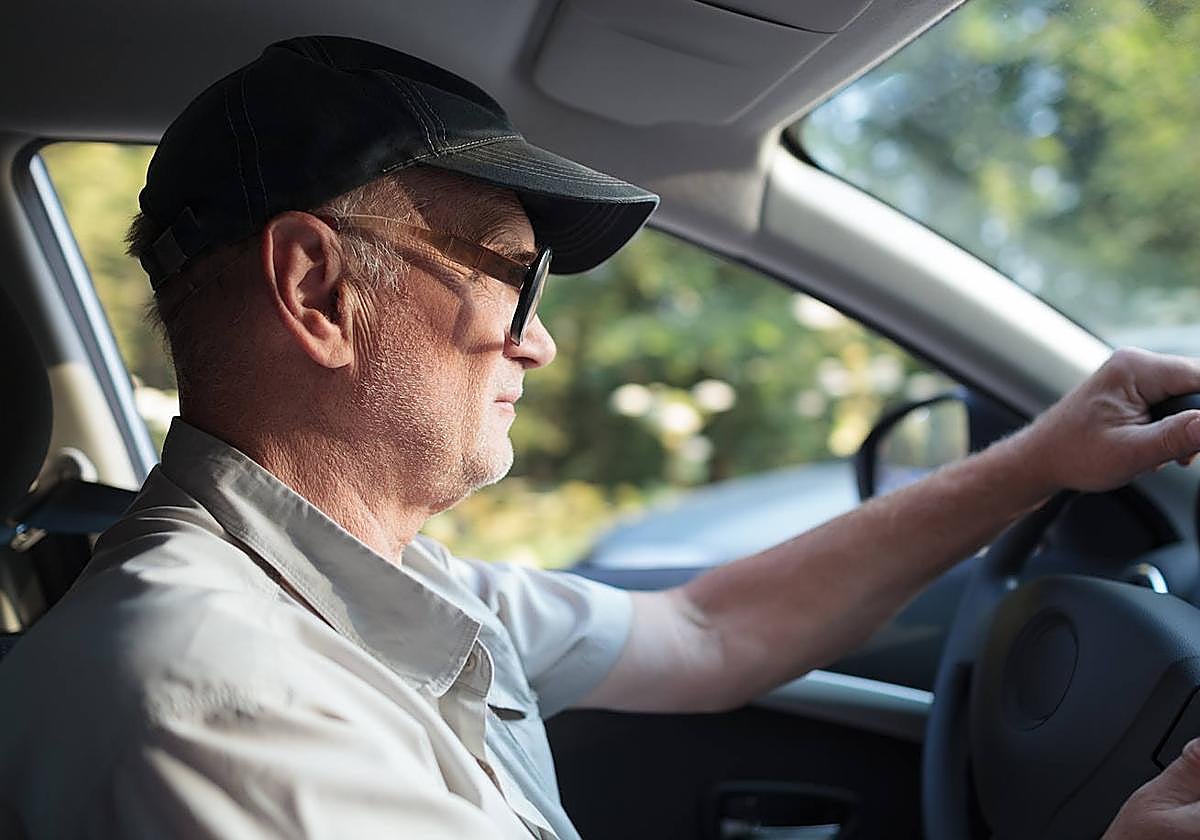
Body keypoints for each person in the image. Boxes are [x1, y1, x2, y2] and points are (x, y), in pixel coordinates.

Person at [0, 33, 1197, 840]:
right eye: (513, 280)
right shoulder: (212, 693)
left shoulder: (370, 585)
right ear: (318, 294)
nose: (541, 344)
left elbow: (711, 630)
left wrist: (1040, 458)